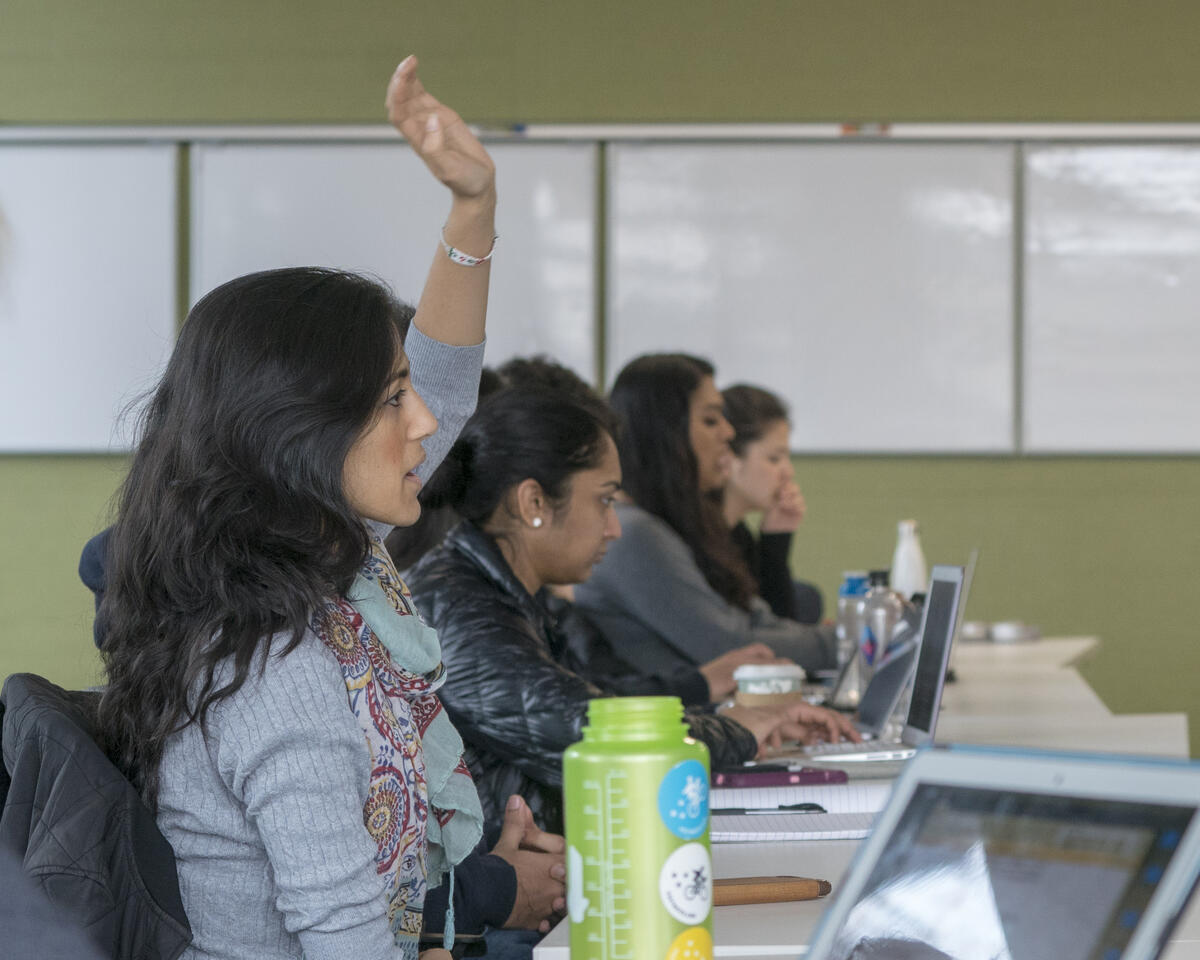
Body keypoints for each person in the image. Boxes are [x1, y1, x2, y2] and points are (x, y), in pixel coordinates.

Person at [93, 57, 561, 960]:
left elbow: (446, 390)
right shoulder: (282, 669)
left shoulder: (311, 573)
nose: (426, 418)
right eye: (392, 398)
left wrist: (475, 211)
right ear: (299, 438)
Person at [404, 386, 859, 845]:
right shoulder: (456, 607)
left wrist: (739, 715)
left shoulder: (507, 593)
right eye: (604, 500)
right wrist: (738, 728)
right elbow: (586, 731)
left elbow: (599, 696)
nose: (615, 527)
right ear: (533, 503)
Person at [574, 354, 839, 679]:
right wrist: (850, 640)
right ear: (666, 432)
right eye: (711, 420)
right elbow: (732, 645)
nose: (728, 433)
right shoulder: (633, 533)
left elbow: (754, 620)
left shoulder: (673, 525)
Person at [722, 383, 824, 624]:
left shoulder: (737, 533)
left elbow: (778, 624)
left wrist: (775, 538)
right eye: (774, 458)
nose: (788, 471)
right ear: (728, 457)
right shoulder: (699, 538)